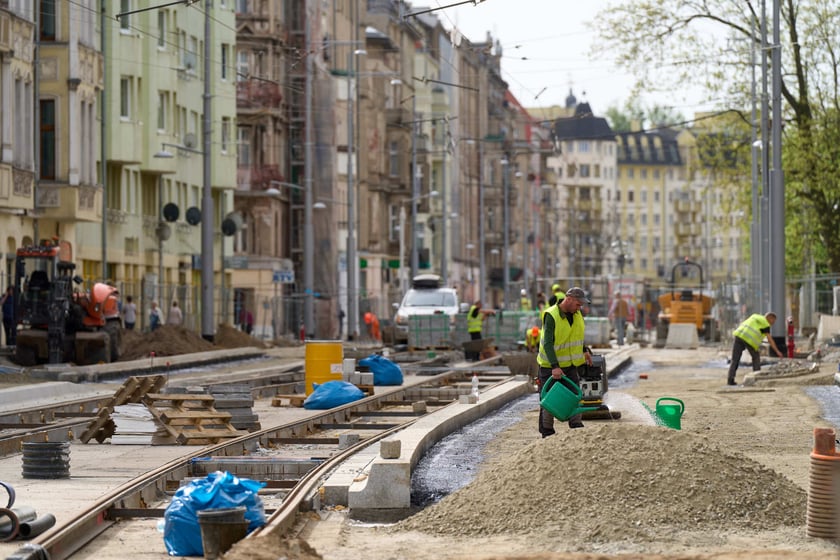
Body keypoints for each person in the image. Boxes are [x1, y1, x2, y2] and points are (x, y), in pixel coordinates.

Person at [537, 287, 592, 436]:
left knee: (575, 394)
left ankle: (576, 427)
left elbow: (576, 335)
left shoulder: (576, 314)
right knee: (549, 399)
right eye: (578, 304)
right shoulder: (551, 315)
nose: (579, 308)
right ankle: (547, 432)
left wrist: (584, 350)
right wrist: (555, 366)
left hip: (569, 365)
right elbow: (548, 343)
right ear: (569, 299)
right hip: (550, 366)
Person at [727, 311, 783, 385]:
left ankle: (730, 380)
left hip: (739, 335)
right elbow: (770, 340)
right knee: (756, 358)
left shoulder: (755, 316)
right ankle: (757, 378)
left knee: (735, 359)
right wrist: (777, 351)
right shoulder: (765, 323)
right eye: (773, 321)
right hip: (749, 340)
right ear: (770, 318)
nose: (773, 323)